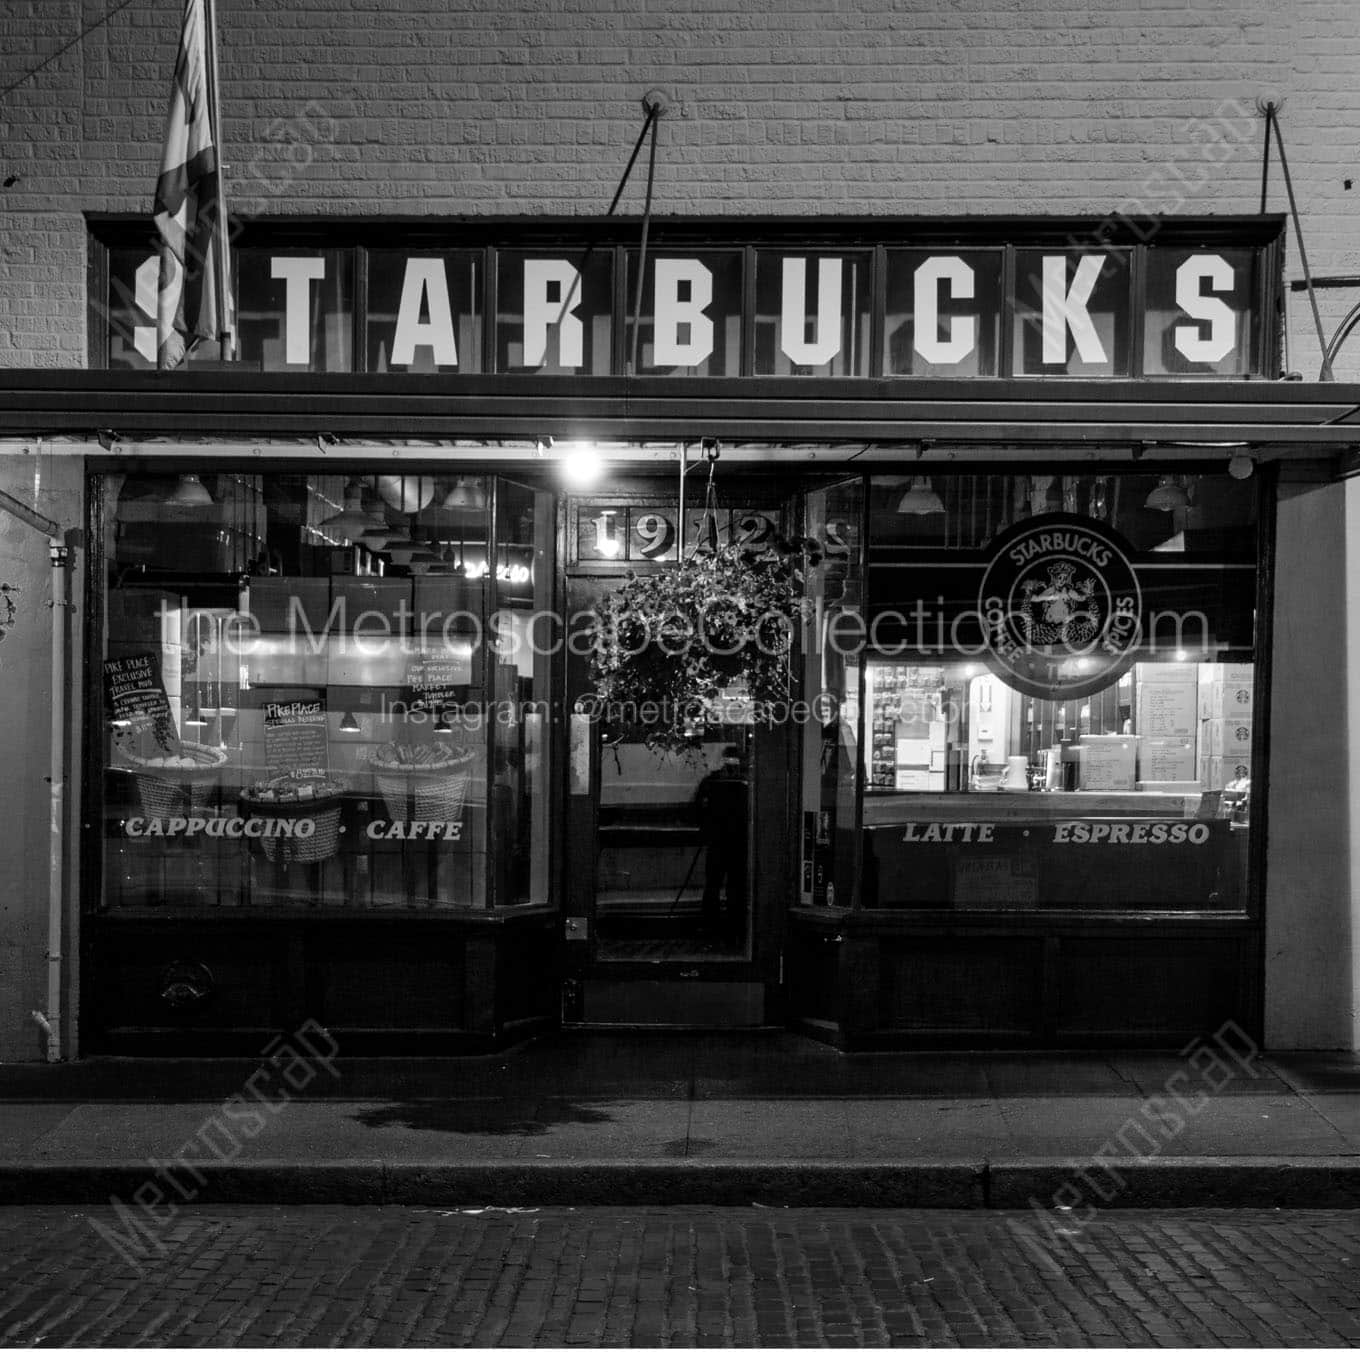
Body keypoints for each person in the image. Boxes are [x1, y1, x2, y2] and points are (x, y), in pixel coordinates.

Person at [694, 744, 749, 934]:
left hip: (719, 839)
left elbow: (697, 809)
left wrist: (706, 827)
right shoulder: (745, 784)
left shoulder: (712, 782)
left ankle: (713, 923)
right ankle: (734, 923)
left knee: (715, 883)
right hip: (737, 841)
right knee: (734, 885)